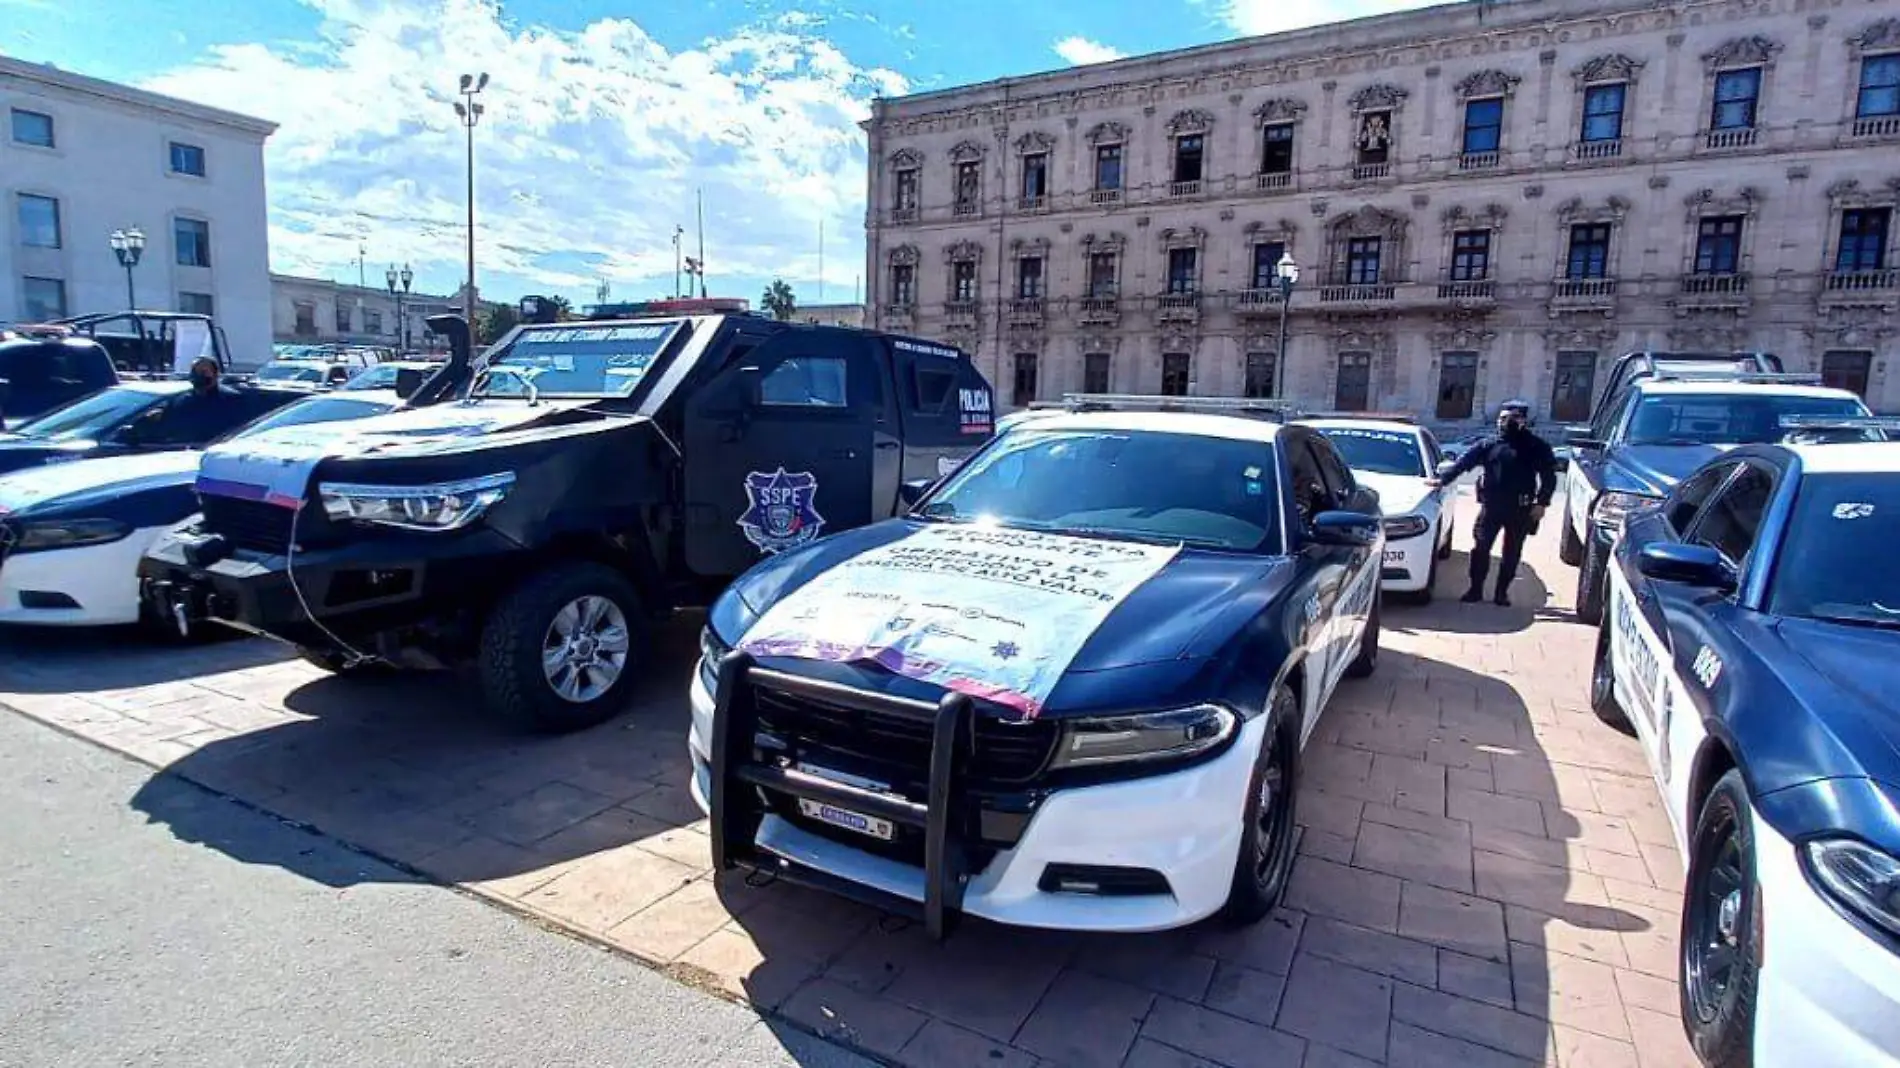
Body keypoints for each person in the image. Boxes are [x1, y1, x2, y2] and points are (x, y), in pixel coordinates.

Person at [1426, 399, 1558, 606]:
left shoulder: (1536, 447)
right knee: (1480, 548)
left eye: (1510, 419)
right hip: (1491, 507)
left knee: (1511, 552)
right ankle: (1475, 590)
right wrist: (1442, 481)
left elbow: (1549, 476)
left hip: (1521, 509)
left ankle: (1501, 593)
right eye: (1502, 418)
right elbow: (1463, 463)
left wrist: (1542, 503)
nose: (1504, 423)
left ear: (1522, 421)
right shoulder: (1489, 444)